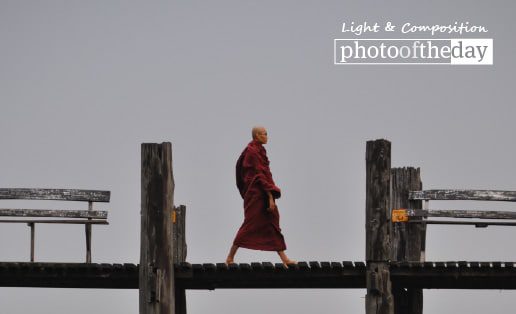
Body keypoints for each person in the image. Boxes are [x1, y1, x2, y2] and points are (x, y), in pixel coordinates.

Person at [226, 126, 296, 266]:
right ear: (257, 135)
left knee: (273, 222)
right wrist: (270, 198)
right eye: (265, 134)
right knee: (250, 224)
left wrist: (270, 195)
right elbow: (259, 176)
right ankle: (230, 257)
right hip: (257, 195)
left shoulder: (260, 150)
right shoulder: (252, 152)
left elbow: (265, 174)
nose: (267, 136)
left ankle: (284, 258)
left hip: (263, 192)